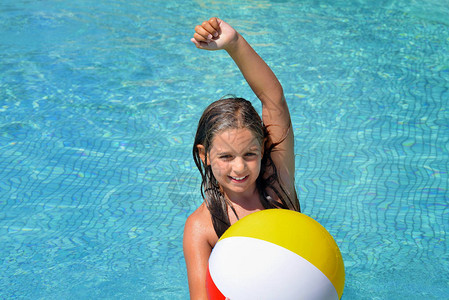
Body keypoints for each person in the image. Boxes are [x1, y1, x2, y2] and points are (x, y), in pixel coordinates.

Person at [183, 17, 300, 299]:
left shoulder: (277, 184)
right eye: (226, 156)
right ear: (205, 155)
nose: (240, 167)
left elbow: (274, 99)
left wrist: (234, 43)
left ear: (263, 148)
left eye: (250, 154)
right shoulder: (202, 227)